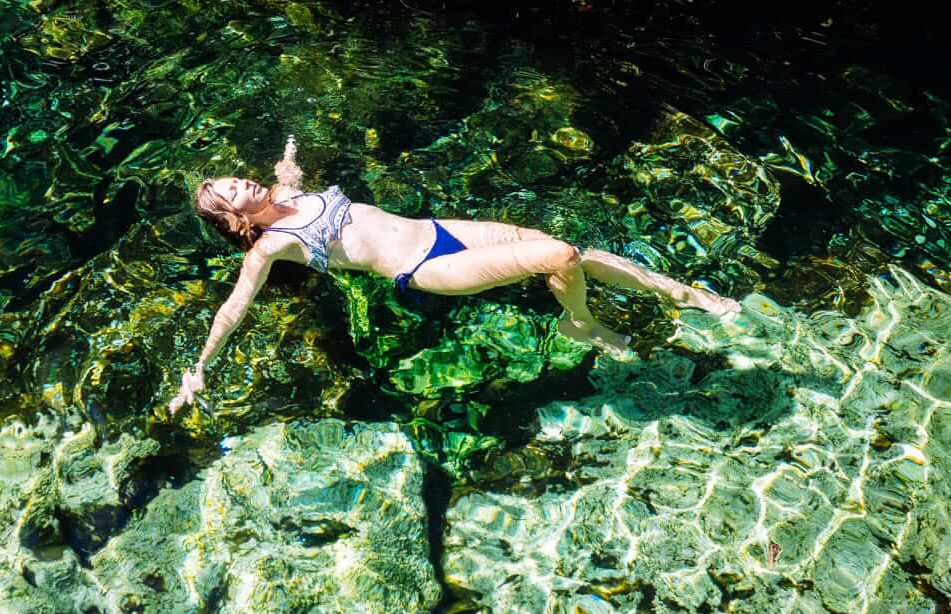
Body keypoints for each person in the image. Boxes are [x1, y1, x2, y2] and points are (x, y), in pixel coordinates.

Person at [170, 134, 740, 413]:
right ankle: (580, 323)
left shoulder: (291, 192)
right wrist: (198, 368)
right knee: (561, 256)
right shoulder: (269, 248)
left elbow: (286, 166)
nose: (240, 183)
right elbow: (232, 308)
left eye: (233, 179)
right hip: (427, 266)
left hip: (440, 226)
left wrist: (291, 145)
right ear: (233, 218)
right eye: (229, 191)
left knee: (566, 248)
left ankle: (678, 291)